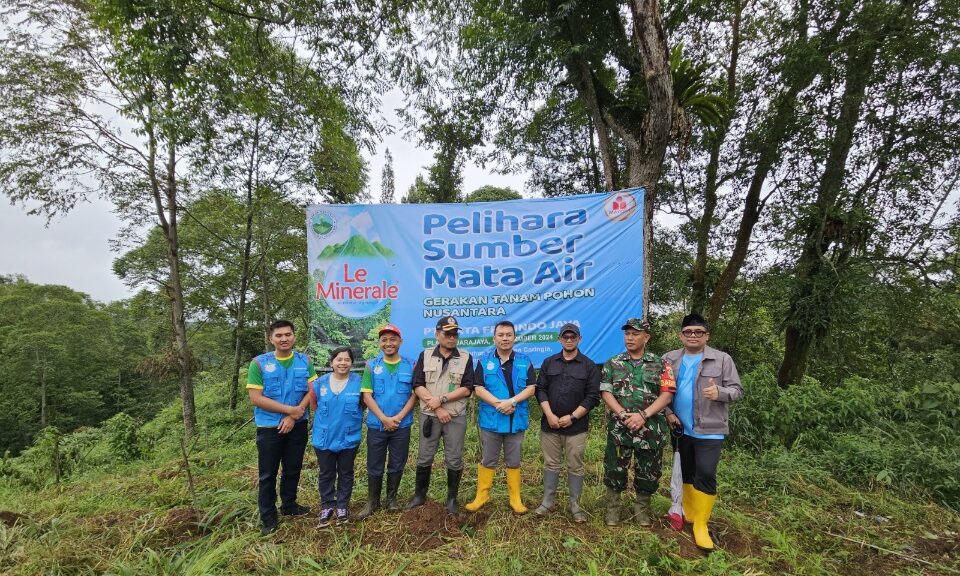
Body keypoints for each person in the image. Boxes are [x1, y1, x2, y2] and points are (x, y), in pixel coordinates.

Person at [663, 313, 743, 551]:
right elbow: (661, 391)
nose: (693, 336)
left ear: (706, 335)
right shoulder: (669, 358)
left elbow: (737, 390)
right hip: (679, 427)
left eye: (698, 332)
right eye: (688, 332)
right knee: (686, 471)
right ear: (681, 335)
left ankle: (700, 524)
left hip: (710, 429)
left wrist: (720, 393)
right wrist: (668, 413)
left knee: (706, 473)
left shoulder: (722, 359)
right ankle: (688, 512)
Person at [600, 318, 676, 527]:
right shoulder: (613, 363)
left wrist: (643, 415)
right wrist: (624, 414)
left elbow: (667, 395)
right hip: (620, 428)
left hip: (650, 429)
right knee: (615, 469)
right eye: (627, 334)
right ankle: (613, 510)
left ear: (646, 337)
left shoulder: (661, 364)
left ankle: (642, 510)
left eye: (635, 334)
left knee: (648, 471)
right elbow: (606, 392)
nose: (630, 338)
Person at [246, 319, 315, 535]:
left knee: (293, 468)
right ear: (271, 339)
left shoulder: (305, 361)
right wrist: (288, 411)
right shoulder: (258, 363)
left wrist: (295, 415)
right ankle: (268, 517)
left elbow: (311, 391)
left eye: (288, 334)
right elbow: (255, 398)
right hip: (269, 427)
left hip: (298, 423)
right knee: (268, 473)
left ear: (294, 336)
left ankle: (289, 506)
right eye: (279, 335)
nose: (284, 339)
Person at [407, 316, 477, 514]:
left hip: (455, 417)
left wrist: (443, 400)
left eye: (455, 333)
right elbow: (417, 384)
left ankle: (452, 499)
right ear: (437, 334)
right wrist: (437, 408)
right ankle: (420, 495)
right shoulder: (426, 355)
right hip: (430, 415)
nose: (452, 337)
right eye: (448, 333)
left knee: (454, 458)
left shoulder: (465, 357)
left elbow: (467, 388)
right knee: (424, 456)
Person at [465, 320, 537, 514]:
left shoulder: (525, 360)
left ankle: (515, 498)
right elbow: (478, 388)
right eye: (501, 335)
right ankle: (482, 495)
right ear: (494, 338)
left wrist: (511, 401)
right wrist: (499, 404)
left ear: (514, 337)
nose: (505, 338)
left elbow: (531, 388)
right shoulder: (483, 361)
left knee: (513, 460)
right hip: (491, 420)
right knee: (488, 459)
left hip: (516, 420)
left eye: (508, 335)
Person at [533, 323, 601, 522]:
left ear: (579, 339)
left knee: (575, 466)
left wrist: (572, 417)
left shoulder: (589, 366)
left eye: (573, 337)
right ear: (559, 339)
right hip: (550, 425)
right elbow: (540, 389)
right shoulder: (548, 363)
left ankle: (575, 506)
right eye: (565, 337)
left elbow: (592, 397)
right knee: (551, 464)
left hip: (576, 427)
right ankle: (547, 502)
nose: (569, 340)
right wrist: (550, 415)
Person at [357, 324, 416, 519]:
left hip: (401, 424)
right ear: (380, 343)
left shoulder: (411, 365)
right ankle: (372, 501)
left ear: (400, 342)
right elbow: (367, 396)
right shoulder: (371, 366)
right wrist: (383, 418)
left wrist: (398, 418)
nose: (388, 343)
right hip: (377, 424)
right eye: (384, 340)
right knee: (374, 463)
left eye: (393, 339)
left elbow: (415, 395)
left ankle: (391, 500)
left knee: (397, 462)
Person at [309, 346, 364, 527]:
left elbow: (363, 405)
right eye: (339, 359)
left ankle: (342, 505)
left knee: (346, 473)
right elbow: (314, 405)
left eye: (346, 360)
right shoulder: (319, 383)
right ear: (332, 362)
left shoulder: (359, 382)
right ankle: (327, 505)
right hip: (323, 437)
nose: (343, 363)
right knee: (326, 473)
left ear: (351, 363)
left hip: (349, 437)